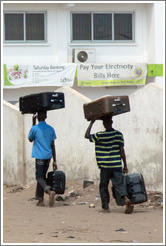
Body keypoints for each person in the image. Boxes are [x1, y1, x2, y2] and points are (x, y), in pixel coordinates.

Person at [84, 115, 134, 214]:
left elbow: (86, 135)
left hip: (105, 166)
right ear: (112, 122)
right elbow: (122, 151)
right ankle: (126, 198)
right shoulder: (118, 134)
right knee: (119, 185)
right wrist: (125, 165)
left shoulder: (100, 135)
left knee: (103, 186)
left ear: (104, 124)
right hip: (116, 164)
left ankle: (105, 207)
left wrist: (92, 122)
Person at [28, 111, 57, 207]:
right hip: (48, 156)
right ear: (46, 117)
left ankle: (49, 192)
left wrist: (33, 123)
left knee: (39, 177)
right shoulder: (51, 129)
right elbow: (53, 145)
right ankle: (40, 200)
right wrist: (55, 160)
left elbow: (30, 139)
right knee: (42, 176)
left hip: (39, 156)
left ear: (37, 118)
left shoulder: (35, 128)